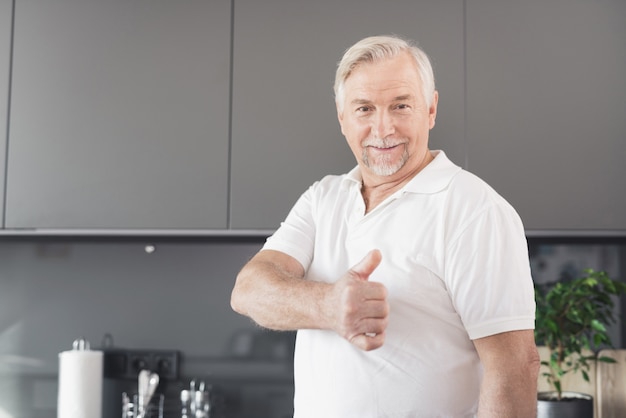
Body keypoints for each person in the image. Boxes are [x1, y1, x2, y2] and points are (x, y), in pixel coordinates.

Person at [231, 35, 539, 417]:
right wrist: (328, 306)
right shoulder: (323, 197)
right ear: (342, 118)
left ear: (430, 109)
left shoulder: (474, 209)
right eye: (364, 109)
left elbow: (512, 369)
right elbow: (248, 290)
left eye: (401, 105)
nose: (383, 128)